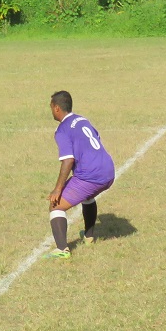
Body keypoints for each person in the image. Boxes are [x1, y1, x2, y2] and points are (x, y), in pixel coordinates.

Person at [46, 91, 115, 260]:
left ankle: (62, 249)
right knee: (88, 195)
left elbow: (68, 160)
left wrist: (57, 189)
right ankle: (89, 236)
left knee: (56, 206)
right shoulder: (82, 119)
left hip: (91, 175)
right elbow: (96, 138)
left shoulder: (62, 130)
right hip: (108, 170)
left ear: (56, 108)